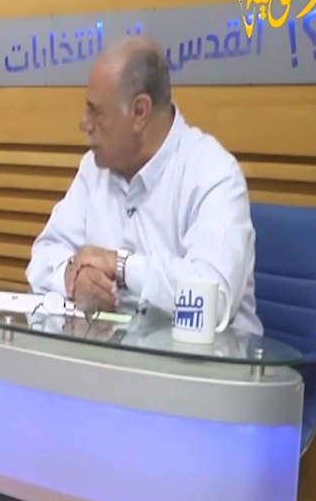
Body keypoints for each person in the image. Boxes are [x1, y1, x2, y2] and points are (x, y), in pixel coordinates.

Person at [26, 36, 261, 335]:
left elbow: (212, 301)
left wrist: (120, 266)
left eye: (95, 111)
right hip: (113, 356)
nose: (83, 123)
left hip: (204, 361)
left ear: (139, 112)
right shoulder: (94, 169)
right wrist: (74, 278)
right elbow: (44, 254)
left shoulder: (213, 173)